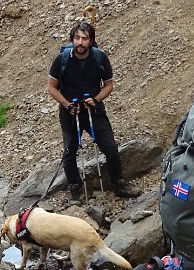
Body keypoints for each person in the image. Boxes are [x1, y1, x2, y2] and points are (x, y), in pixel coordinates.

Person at [46, 20, 131, 199]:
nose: (80, 42)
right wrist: (66, 104)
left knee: (111, 148)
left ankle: (119, 183)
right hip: (70, 112)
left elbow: (109, 85)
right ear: (72, 39)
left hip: (94, 110)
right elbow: (52, 87)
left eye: (84, 38)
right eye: (77, 38)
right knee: (70, 152)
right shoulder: (62, 60)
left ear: (90, 41)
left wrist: (97, 99)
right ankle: (75, 188)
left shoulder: (100, 58)